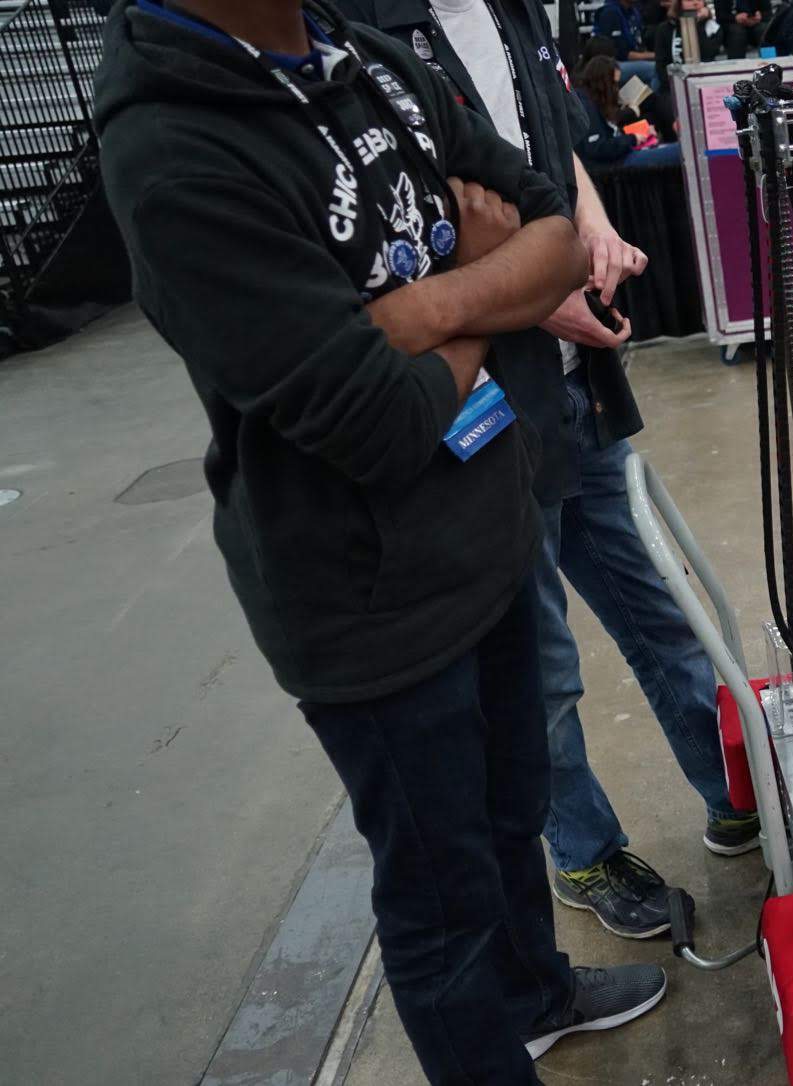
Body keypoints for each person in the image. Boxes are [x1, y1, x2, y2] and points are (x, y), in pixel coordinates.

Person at [94, 1, 669, 1080]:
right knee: (442, 902)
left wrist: (429, 309)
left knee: (515, 811)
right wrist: (494, 288)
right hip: (370, 602)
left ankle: (536, 994)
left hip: (487, 527)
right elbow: (380, 422)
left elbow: (550, 230)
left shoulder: (365, 56)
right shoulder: (174, 150)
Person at [341, 0, 762, 943]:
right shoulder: (363, 32)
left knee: (664, 612)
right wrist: (536, 293)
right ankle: (582, 850)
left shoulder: (511, 10)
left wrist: (593, 231)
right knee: (541, 668)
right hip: (481, 405)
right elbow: (398, 244)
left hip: (575, 389)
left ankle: (735, 791)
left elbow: (554, 148)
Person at [575, 53, 683, 167]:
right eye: (614, 84)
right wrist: (633, 138)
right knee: (679, 151)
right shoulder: (587, 108)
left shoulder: (593, 101)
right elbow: (598, 148)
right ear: (603, 84)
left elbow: (610, 135)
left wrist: (641, 132)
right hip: (617, 162)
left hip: (621, 155)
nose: (616, 90)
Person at [595, 0, 661, 83]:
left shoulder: (633, 11)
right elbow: (621, 54)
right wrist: (657, 55)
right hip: (611, 65)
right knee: (656, 69)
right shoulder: (610, 12)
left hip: (630, 60)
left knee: (664, 64)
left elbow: (639, 45)